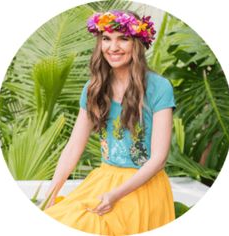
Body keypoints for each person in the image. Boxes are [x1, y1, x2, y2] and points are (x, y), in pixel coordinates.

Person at [43, 9, 177, 235]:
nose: (113, 47)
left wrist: (116, 195)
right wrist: (50, 196)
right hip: (104, 179)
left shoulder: (158, 87)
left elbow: (158, 159)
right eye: (106, 39)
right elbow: (73, 147)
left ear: (137, 43)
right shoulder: (93, 89)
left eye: (123, 38)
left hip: (143, 186)